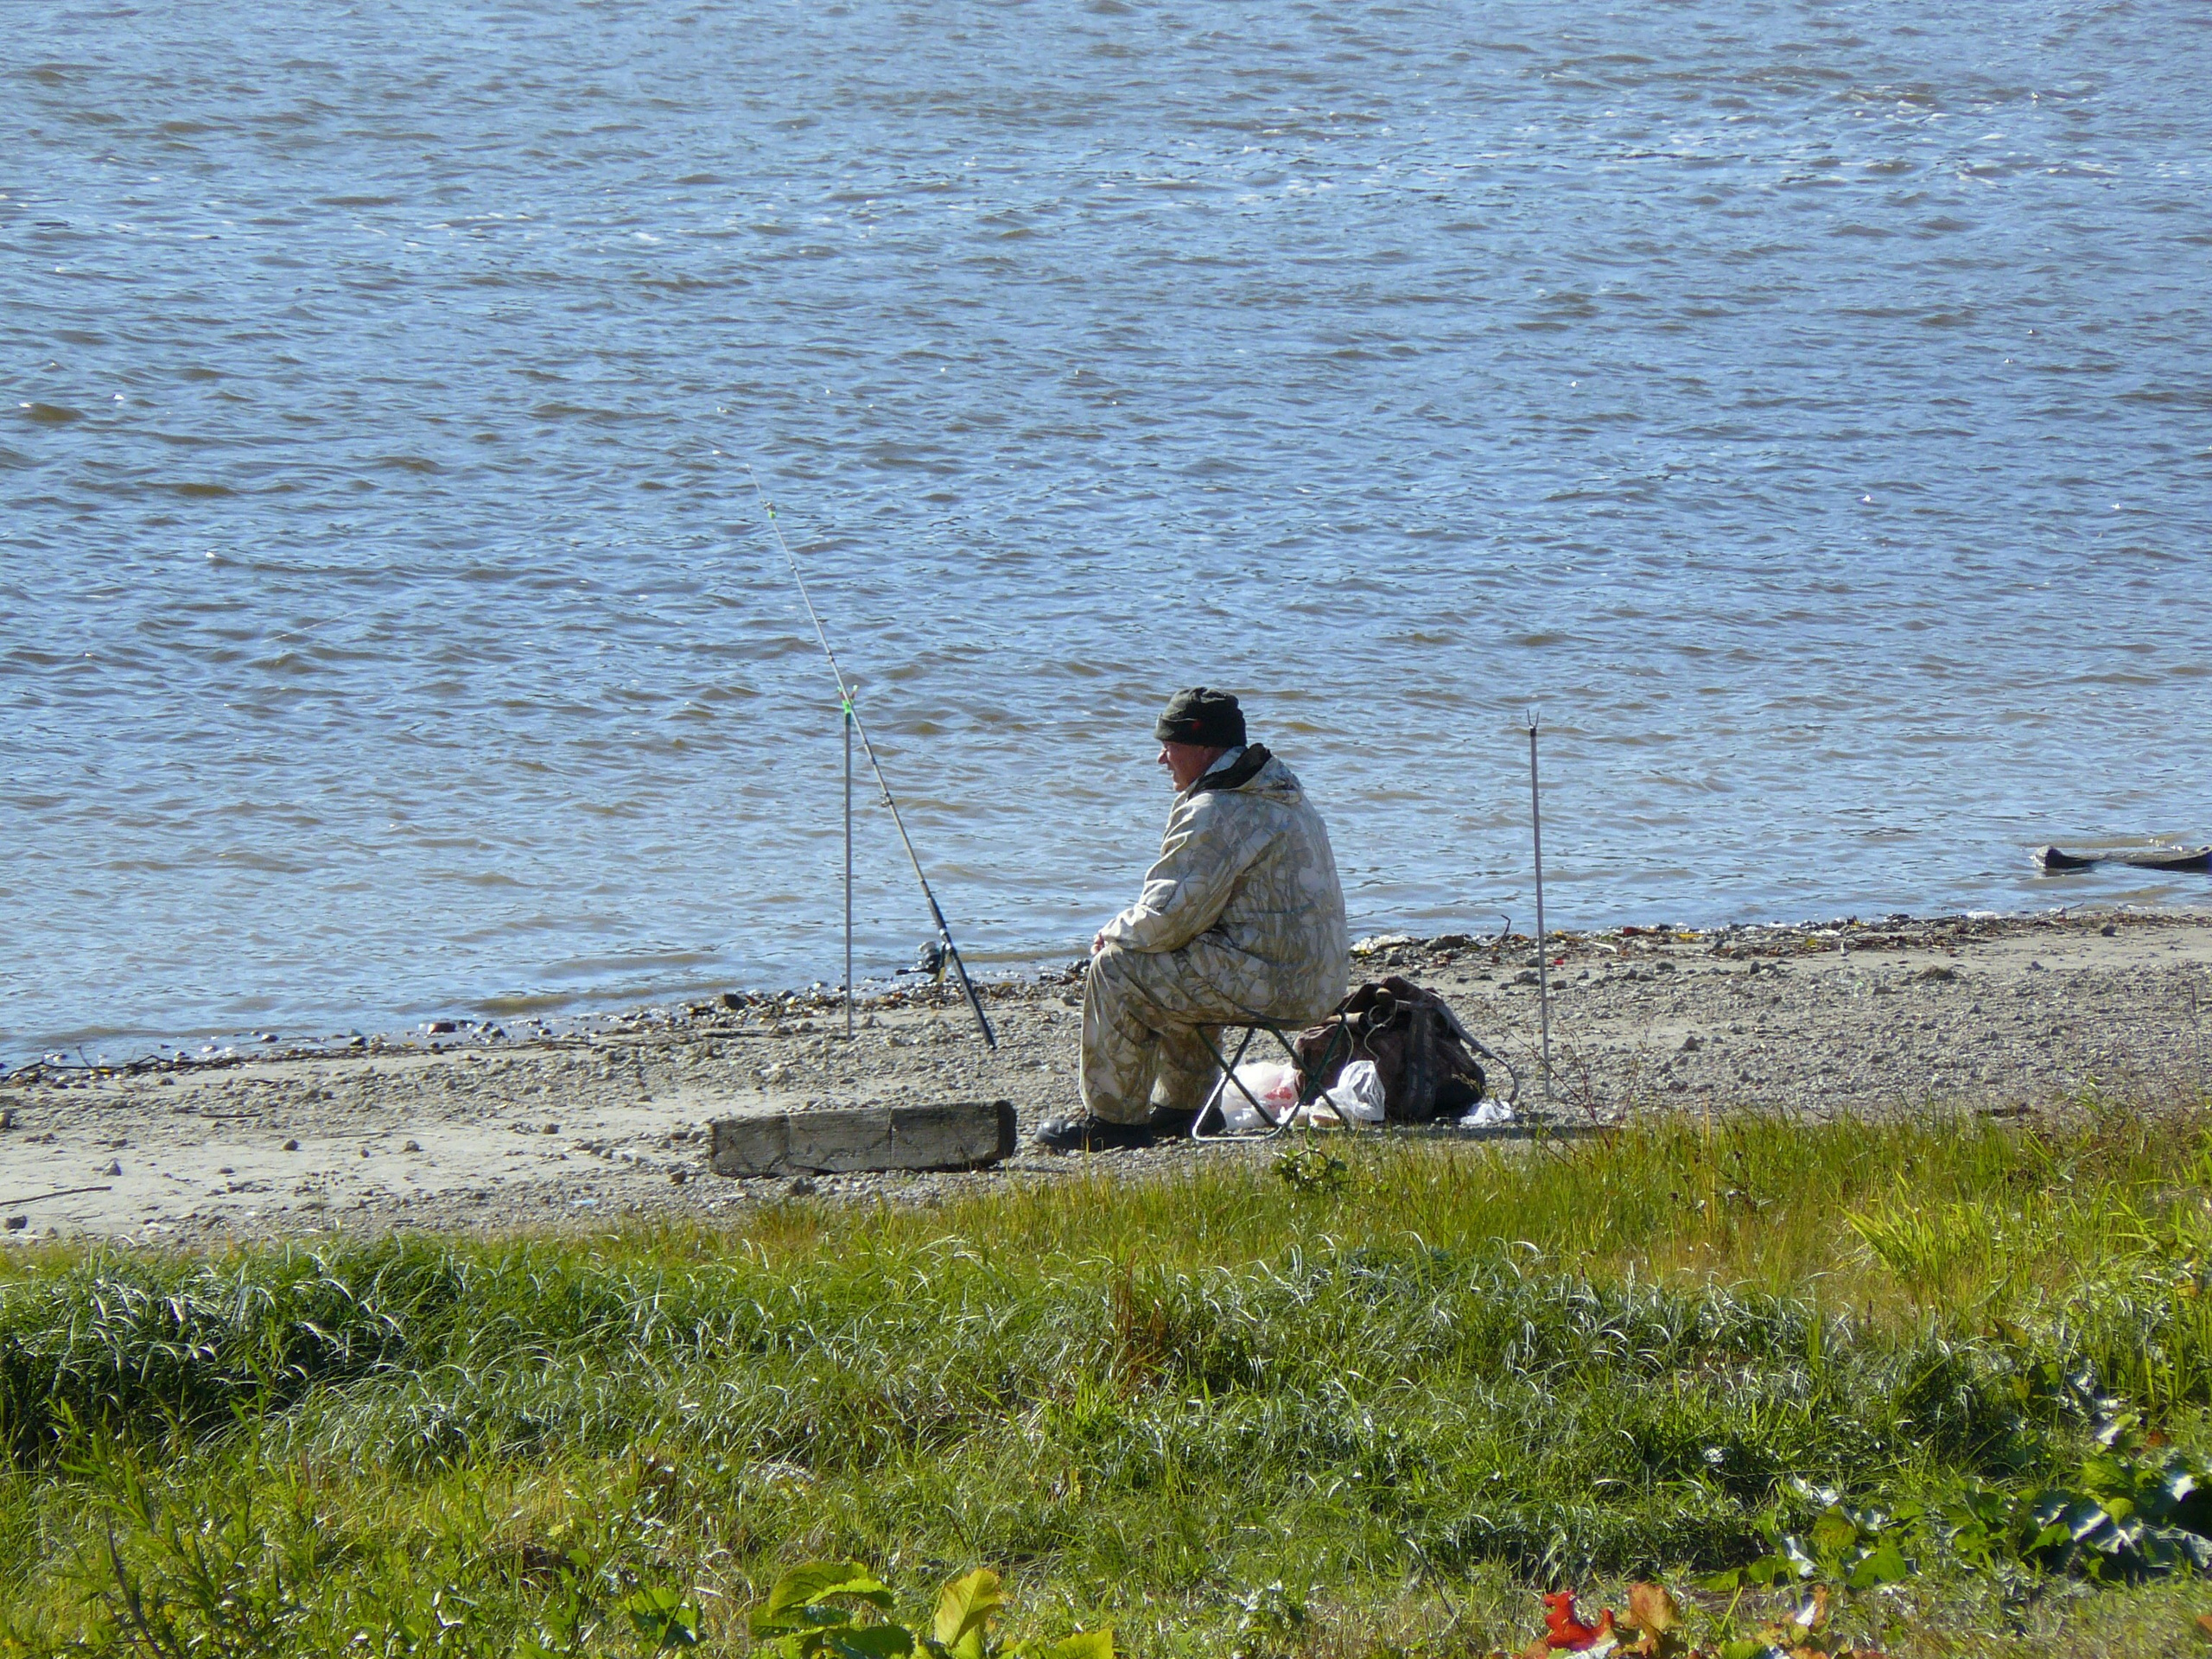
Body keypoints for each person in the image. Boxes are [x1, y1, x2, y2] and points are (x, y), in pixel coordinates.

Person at [1034, 687, 1349, 1152]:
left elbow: (1166, 916)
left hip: (1276, 984)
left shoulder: (1217, 809)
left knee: (1118, 968)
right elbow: (1186, 920)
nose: (1162, 759)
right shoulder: (1284, 793)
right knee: (1186, 956)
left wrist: (1110, 933)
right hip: (1321, 982)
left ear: (1204, 748)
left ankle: (1114, 1121)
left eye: (1169, 745)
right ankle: (1184, 1110)